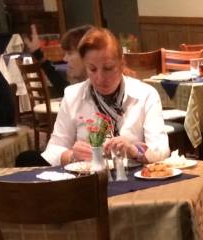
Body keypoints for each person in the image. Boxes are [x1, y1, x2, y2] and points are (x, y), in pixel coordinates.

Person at [43, 27, 168, 167]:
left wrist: (133, 150)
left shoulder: (145, 95)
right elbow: (53, 150)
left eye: (108, 68)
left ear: (121, 63)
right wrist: (72, 156)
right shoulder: (73, 96)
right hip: (90, 176)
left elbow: (161, 149)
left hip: (135, 175)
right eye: (92, 69)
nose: (100, 78)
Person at [21, 23, 90, 98]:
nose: (65, 59)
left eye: (70, 53)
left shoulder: (97, 95)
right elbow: (66, 92)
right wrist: (38, 54)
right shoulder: (82, 92)